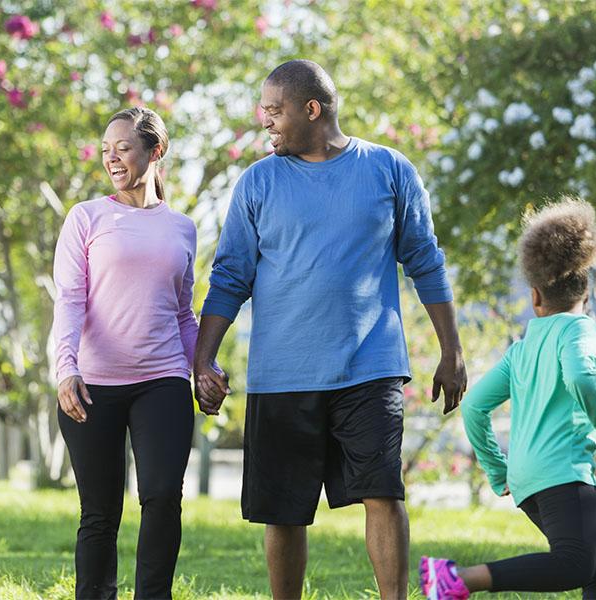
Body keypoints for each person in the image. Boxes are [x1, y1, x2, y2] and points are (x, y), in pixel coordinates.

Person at [193, 59, 466, 600]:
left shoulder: (389, 170)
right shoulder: (258, 182)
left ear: (311, 109)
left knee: (384, 494)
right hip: (281, 374)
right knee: (284, 512)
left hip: (370, 367)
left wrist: (451, 351)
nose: (265, 122)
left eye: (274, 111)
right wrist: (204, 359)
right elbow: (229, 277)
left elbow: (425, 262)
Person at [420, 198, 596, 600]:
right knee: (574, 563)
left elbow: (475, 405)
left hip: (525, 477)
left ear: (535, 297)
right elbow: (582, 379)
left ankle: (455, 579)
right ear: (585, 290)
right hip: (563, 472)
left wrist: (498, 472)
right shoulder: (579, 330)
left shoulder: (521, 349)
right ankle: (457, 580)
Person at [53, 106, 208, 600]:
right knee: (100, 513)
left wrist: (204, 366)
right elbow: (71, 299)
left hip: (162, 381)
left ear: (155, 151)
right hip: (93, 385)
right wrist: (66, 369)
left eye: (123, 148)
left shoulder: (182, 228)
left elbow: (183, 312)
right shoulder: (87, 217)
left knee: (162, 497)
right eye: (105, 150)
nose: (112, 158)